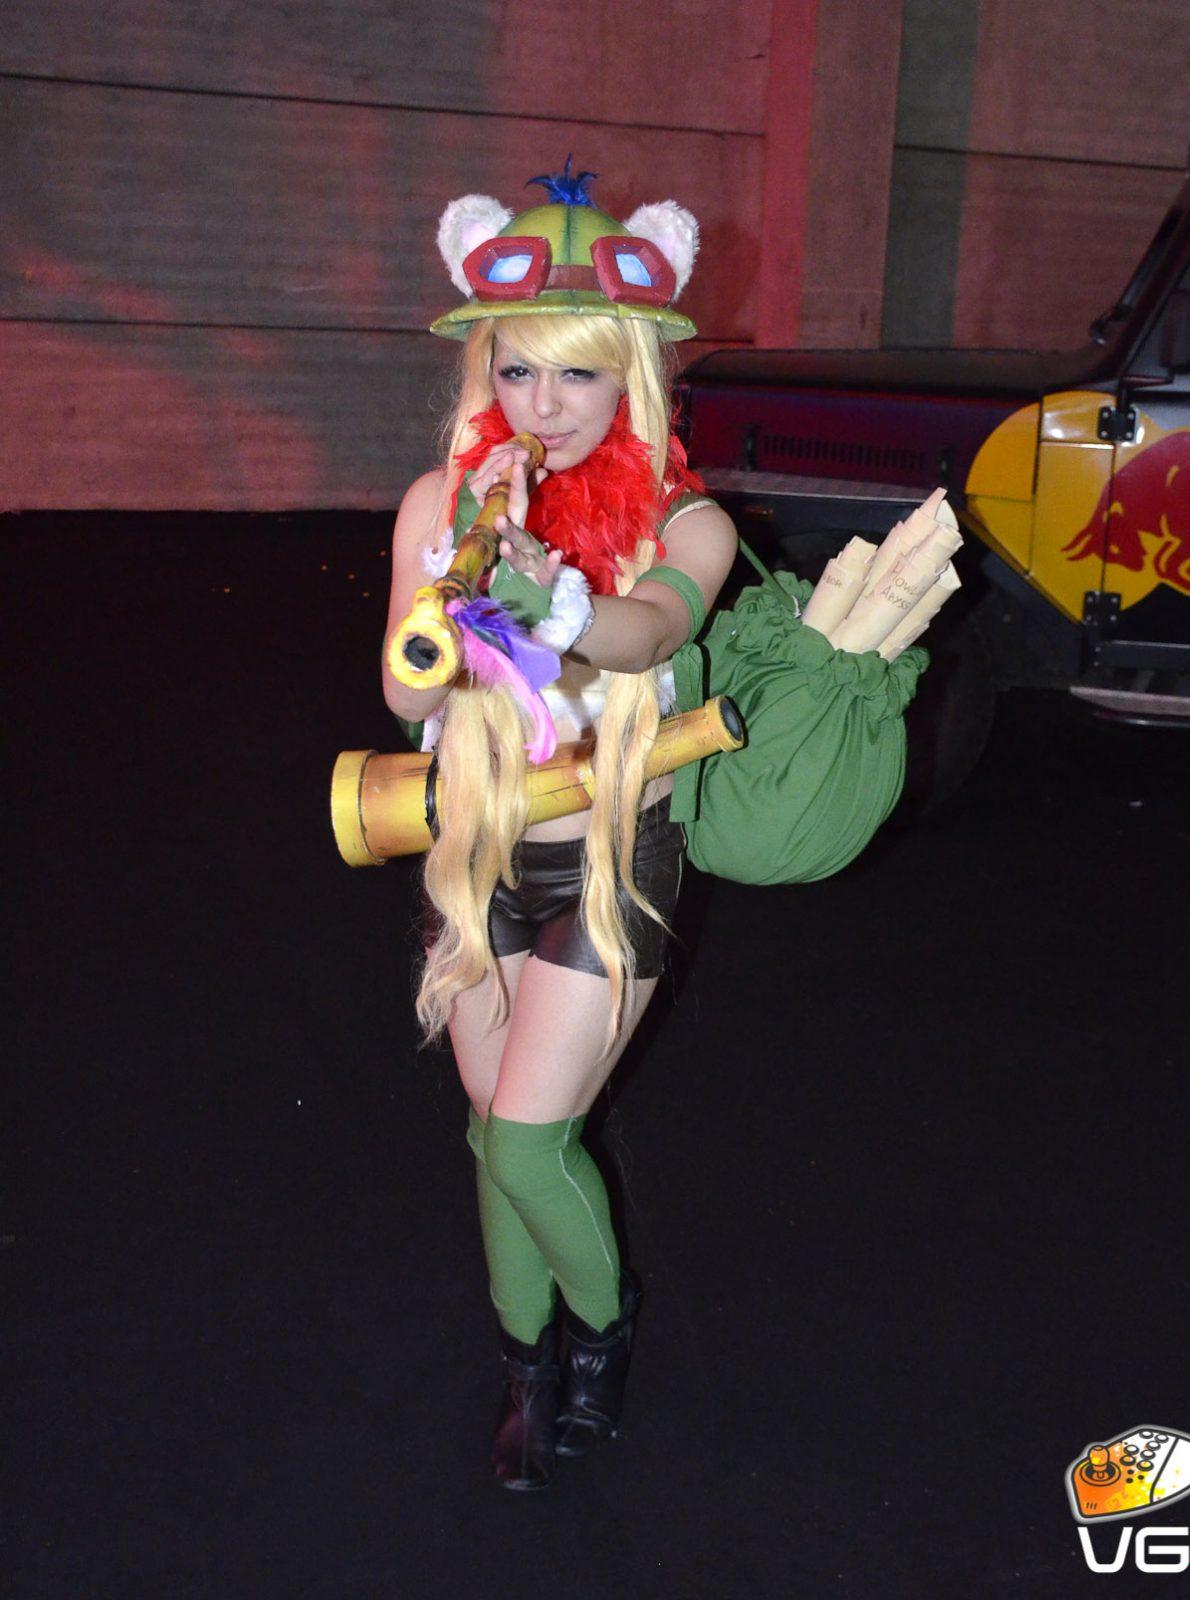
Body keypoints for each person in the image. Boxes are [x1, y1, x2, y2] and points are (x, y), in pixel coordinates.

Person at [381, 164, 736, 1491]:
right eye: (519, 369)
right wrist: (455, 582)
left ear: (631, 373)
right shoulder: (444, 502)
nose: (545, 406)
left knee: (532, 1138)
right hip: (473, 850)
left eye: (579, 374)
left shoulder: (686, 521)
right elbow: (405, 691)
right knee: (493, 1134)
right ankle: (524, 1362)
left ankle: (598, 1335)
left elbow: (649, 630)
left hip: (607, 861)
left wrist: (557, 607)